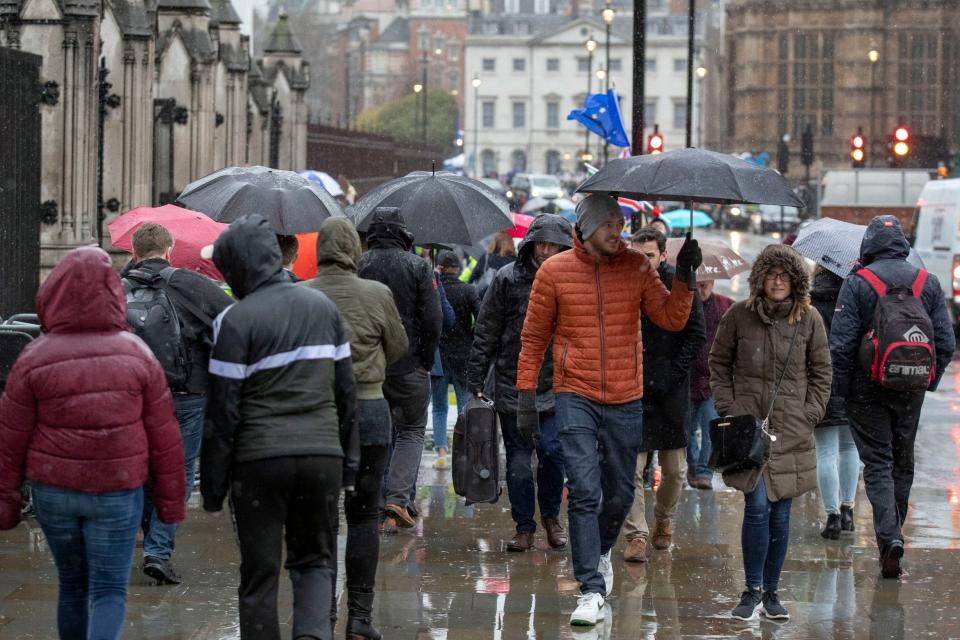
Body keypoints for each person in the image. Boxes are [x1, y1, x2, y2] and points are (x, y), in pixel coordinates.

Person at [517, 195, 699, 626]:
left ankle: (599, 550)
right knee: (583, 490)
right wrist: (526, 396)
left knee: (619, 493)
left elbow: (671, 318)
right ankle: (591, 589)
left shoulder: (636, 267)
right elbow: (533, 337)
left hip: (624, 396)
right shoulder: (554, 271)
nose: (618, 232)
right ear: (586, 226)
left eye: (621, 224)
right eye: (610, 225)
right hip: (573, 393)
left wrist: (685, 278)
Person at [0, 247, 185, 639]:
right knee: (107, 590)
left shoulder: (34, 356)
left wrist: (7, 497)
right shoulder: (138, 355)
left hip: (55, 489)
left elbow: (9, 437)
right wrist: (169, 503)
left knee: (72, 585)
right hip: (117, 489)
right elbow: (165, 438)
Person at [201, 215, 359, 640]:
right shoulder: (324, 309)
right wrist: (349, 465)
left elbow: (223, 412)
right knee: (314, 562)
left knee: (260, 573)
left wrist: (213, 487)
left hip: (258, 462)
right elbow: (347, 393)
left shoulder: (235, 320)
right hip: (321, 456)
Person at [710, 244, 832, 621]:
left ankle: (774, 592)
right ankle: (752, 589)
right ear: (760, 278)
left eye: (785, 275)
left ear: (796, 281)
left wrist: (809, 413)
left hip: (791, 430)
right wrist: (730, 409)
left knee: (780, 513)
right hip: (749, 431)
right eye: (771, 274)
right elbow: (719, 363)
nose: (778, 281)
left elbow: (822, 373)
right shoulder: (738, 315)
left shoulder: (809, 319)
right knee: (757, 507)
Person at [829, 215, 955, 578]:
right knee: (903, 464)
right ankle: (892, 535)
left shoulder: (857, 283)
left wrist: (840, 393)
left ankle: (889, 538)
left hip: (866, 389)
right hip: (911, 387)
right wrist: (927, 381)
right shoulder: (926, 282)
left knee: (878, 464)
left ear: (868, 244)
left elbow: (841, 345)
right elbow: (945, 342)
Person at [304, 217, 408, 640]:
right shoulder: (377, 294)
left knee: (322, 518)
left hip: (316, 415)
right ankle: (360, 618)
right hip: (368, 410)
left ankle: (321, 614)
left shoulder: (302, 295)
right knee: (365, 514)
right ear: (354, 250)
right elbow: (399, 346)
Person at [126, 222, 233, 585]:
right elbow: (231, 321)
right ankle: (158, 549)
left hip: (136, 392)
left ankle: (146, 529)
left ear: (134, 252)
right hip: (186, 391)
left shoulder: (116, 286)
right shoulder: (189, 282)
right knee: (179, 471)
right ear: (169, 249)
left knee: (141, 465)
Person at [467, 214, 573, 553]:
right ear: (531, 244)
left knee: (554, 453)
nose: (546, 250)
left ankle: (552, 517)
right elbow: (487, 329)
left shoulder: (572, 279)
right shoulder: (507, 278)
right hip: (514, 384)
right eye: (541, 243)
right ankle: (524, 525)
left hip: (558, 385)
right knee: (518, 463)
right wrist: (476, 376)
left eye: (553, 244)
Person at [622, 227, 705, 562]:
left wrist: (673, 372)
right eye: (638, 256)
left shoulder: (680, 284)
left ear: (663, 255)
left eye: (650, 256)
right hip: (633, 387)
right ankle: (636, 534)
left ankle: (664, 520)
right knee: (630, 468)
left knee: (674, 470)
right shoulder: (625, 282)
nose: (643, 263)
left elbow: (696, 333)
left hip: (670, 391)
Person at [358, 207, 442, 529]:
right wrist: (425, 358)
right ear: (402, 233)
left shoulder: (360, 264)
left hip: (371, 367)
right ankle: (397, 498)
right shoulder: (419, 266)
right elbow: (432, 319)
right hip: (410, 366)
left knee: (379, 434)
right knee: (410, 431)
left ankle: (380, 500)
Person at [810, 265, 860, 540]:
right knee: (850, 447)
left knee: (825, 451)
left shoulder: (811, 304)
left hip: (821, 383)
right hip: (852, 383)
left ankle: (832, 517)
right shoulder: (855, 299)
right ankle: (848, 509)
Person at [687, 278, 733, 490]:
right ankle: (692, 465)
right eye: (696, 284)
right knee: (686, 430)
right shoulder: (684, 304)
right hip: (686, 380)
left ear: (713, 283)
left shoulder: (725, 305)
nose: (700, 289)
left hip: (712, 381)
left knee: (709, 429)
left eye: (704, 284)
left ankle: (704, 471)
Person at [435, 250, 478, 432]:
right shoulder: (468, 290)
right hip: (463, 354)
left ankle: (441, 453)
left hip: (439, 356)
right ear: (457, 268)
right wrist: (470, 334)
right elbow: (482, 318)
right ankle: (466, 450)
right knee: (464, 407)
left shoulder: (434, 290)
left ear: (440, 267)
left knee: (438, 408)